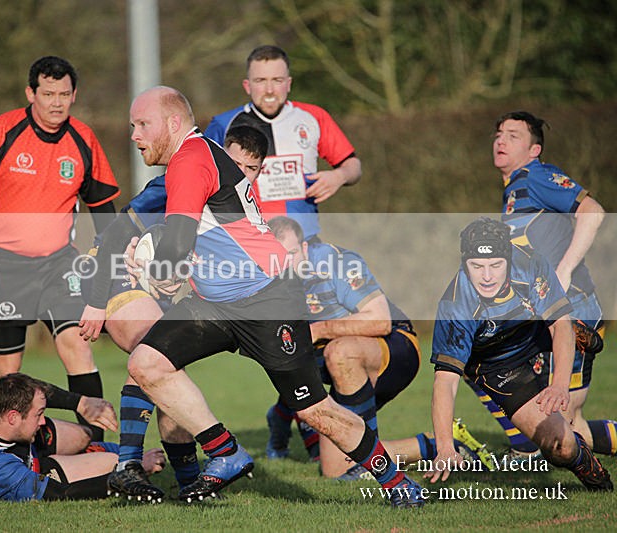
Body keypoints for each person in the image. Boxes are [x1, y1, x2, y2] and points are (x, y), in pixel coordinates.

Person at [119, 86, 423, 508]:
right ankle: (225, 452)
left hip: (267, 299)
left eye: (141, 124)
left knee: (315, 410)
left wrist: (151, 268)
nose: (134, 135)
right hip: (218, 302)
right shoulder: (198, 155)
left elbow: (179, 241)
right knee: (146, 364)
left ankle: (397, 483)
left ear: (172, 123)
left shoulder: (190, 160)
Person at [78, 125, 270, 502]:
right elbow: (115, 235)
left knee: (169, 380)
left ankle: (187, 484)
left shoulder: (239, 203)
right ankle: (128, 465)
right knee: (150, 354)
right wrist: (97, 301)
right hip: (117, 272)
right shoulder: (181, 177)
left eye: (252, 168)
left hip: (161, 288)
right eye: (235, 164)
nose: (242, 174)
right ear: (217, 155)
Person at [265, 217, 494, 479]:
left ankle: (374, 467)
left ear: (305, 248)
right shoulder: (271, 283)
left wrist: (317, 331)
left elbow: (380, 320)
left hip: (396, 348)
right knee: (336, 469)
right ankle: (441, 444)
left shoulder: (335, 262)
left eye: (292, 254)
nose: (287, 263)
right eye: (278, 258)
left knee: (339, 351)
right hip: (345, 364)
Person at [0, 56, 120, 442]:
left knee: (78, 346)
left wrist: (111, 273)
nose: (56, 102)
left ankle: (94, 446)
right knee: (4, 373)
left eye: (64, 94)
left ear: (75, 95)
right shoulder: (3, 131)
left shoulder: (83, 139)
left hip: (59, 266)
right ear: (30, 93)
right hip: (4, 267)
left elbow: (106, 215)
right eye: (48, 93)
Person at [464, 111, 616, 462]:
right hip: (542, 314)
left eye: (513, 136)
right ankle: (526, 447)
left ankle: (528, 448)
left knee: (565, 429)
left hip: (573, 310)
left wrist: (563, 273)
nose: (501, 140)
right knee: (473, 354)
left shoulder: (536, 176)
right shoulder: (515, 188)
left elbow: (593, 212)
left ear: (534, 150)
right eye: (499, 134)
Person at [426, 217, 612, 491]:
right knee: (561, 447)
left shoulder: (530, 265)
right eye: (476, 266)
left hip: (535, 328)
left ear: (508, 259)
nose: (487, 276)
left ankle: (576, 329)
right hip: (497, 364)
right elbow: (445, 381)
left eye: (495, 265)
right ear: (464, 264)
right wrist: (444, 447)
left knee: (563, 324)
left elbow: (558, 325)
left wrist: (560, 385)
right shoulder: (455, 307)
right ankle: (586, 465)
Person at [204, 45, 362, 241]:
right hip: (249, 243)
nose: (269, 90)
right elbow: (200, 179)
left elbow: (353, 165)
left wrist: (340, 176)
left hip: (304, 241)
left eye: (277, 80)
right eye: (260, 81)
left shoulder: (314, 117)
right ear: (247, 86)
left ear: (288, 83)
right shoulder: (223, 124)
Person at [0, 372, 166, 503]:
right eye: (39, 415)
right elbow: (59, 494)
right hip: (8, 468)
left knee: (82, 435)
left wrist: (81, 403)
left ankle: (111, 455)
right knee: (111, 464)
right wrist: (119, 478)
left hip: (5, 448)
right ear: (13, 417)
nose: (44, 420)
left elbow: (29, 387)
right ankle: (127, 462)